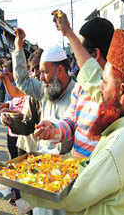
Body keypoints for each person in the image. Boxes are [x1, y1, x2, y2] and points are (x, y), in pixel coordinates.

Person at [27, 21, 124, 215]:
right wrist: (55, 130)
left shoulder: (118, 141)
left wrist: (24, 190)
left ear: (123, 92)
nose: (98, 88)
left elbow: (73, 198)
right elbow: (72, 119)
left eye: (104, 82)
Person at [34, 15, 116, 159]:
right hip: (76, 169)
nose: (78, 62)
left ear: (95, 54)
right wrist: (54, 130)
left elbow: (96, 84)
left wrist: (68, 33)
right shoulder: (80, 87)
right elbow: (72, 121)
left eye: (80, 52)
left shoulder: (118, 92)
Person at [12, 30, 76, 155]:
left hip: (67, 166)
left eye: (45, 72)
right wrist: (18, 47)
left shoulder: (78, 94)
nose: (40, 78)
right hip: (43, 161)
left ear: (60, 70)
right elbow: (23, 81)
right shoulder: (44, 89)